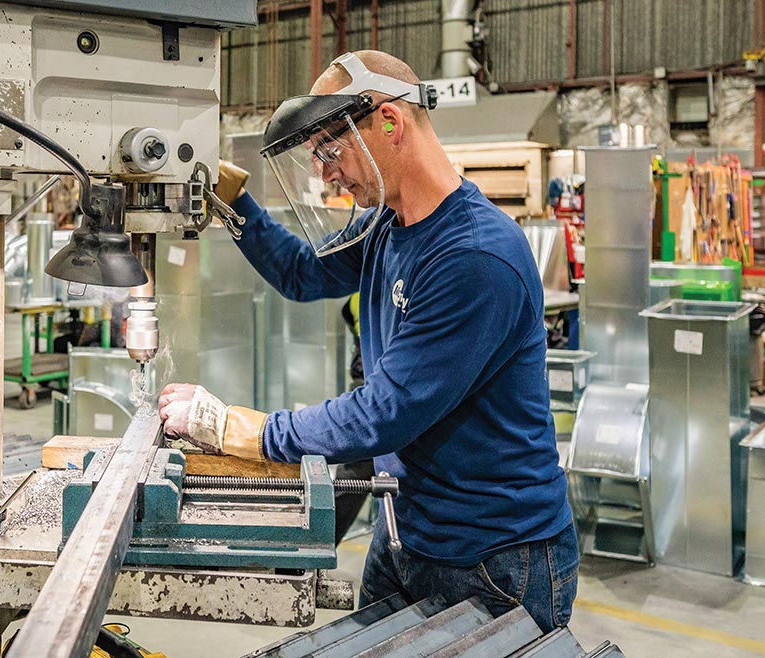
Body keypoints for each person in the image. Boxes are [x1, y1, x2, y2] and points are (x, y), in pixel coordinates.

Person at [157, 50, 576, 632]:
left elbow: (386, 413)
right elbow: (302, 273)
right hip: (405, 529)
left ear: (389, 122)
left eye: (331, 148)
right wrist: (232, 196)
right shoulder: (389, 224)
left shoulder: (474, 257)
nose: (325, 172)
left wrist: (242, 429)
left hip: (494, 555)